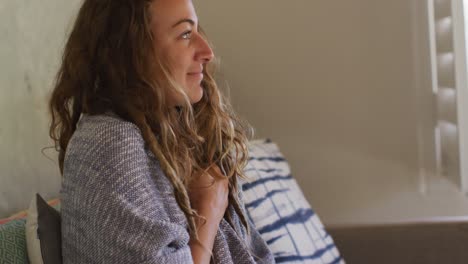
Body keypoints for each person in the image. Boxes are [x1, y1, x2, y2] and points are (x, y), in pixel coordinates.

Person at [48, 0, 274, 263]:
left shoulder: (175, 132)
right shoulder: (108, 143)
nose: (207, 51)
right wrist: (208, 211)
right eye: (185, 34)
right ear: (132, 51)